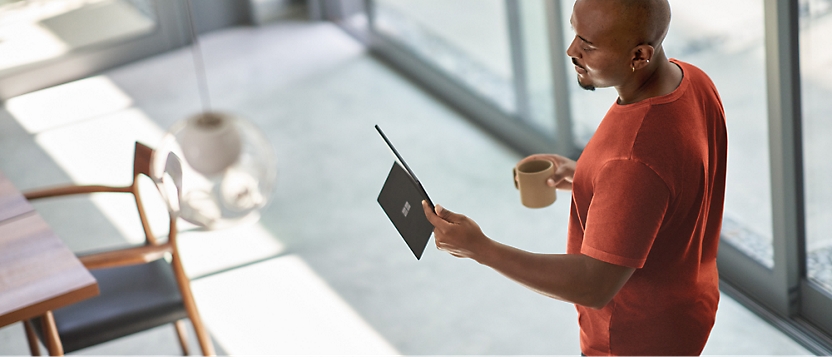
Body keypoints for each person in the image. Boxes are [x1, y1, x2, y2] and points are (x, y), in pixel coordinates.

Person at [420, 0, 727, 355]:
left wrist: (481, 249)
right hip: (690, 304)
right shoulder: (692, 81)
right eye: (575, 33)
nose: (572, 50)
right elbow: (671, 184)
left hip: (632, 342)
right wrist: (587, 175)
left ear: (640, 55)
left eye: (588, 44)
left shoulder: (632, 160)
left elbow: (593, 285)